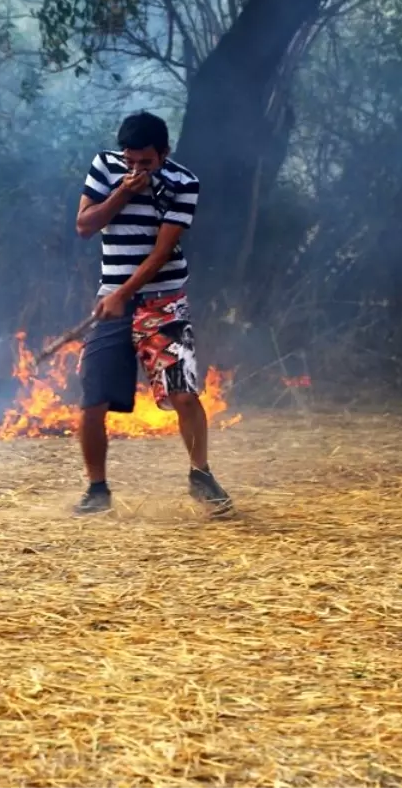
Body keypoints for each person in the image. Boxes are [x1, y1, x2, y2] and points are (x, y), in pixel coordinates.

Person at [72, 110, 233, 516]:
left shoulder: (184, 183)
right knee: (92, 401)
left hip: (163, 301)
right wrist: (122, 193)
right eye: (130, 160)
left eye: (146, 161)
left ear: (164, 153)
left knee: (183, 392)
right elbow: (85, 226)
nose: (136, 168)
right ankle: (97, 489)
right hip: (112, 301)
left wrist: (124, 293)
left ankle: (201, 474)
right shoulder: (104, 167)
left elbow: (161, 254)